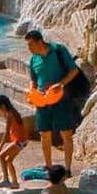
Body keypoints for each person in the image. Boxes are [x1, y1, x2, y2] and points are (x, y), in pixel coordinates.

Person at [25, 30, 81, 173]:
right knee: (44, 133)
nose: (29, 49)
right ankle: (49, 167)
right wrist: (32, 91)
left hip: (62, 98)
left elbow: (74, 71)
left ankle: (68, 168)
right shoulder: (34, 59)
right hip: (43, 100)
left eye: (31, 45)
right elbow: (33, 80)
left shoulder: (58, 51)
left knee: (66, 133)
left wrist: (61, 84)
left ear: (39, 42)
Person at [0, 95, 28, 188]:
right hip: (24, 141)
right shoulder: (14, 112)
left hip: (19, 141)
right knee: (9, 160)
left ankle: (6, 180)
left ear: (3, 106)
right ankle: (15, 183)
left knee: (2, 156)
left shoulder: (9, 115)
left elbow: (6, 133)